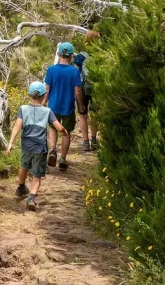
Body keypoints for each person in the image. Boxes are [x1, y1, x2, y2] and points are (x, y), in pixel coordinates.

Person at [6, 81, 68, 211]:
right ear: (43, 96)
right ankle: (31, 198)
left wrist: (10, 143)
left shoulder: (23, 109)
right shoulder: (47, 111)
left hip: (26, 145)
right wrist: (63, 131)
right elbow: (57, 127)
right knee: (37, 175)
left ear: (29, 94)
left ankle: (21, 187)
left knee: (24, 166)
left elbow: (17, 126)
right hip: (40, 147)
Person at [43, 42, 83, 171]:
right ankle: (63, 159)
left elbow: (47, 89)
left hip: (53, 106)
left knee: (53, 128)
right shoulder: (75, 72)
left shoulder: (51, 70)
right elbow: (77, 92)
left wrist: (43, 104)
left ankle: (53, 150)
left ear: (58, 54)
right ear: (71, 55)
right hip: (68, 107)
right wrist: (81, 105)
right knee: (66, 132)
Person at [74, 30, 101, 150]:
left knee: (82, 114)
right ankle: (94, 139)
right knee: (94, 114)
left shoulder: (80, 56)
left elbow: (77, 72)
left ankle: (85, 142)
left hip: (83, 88)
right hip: (97, 88)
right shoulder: (101, 54)